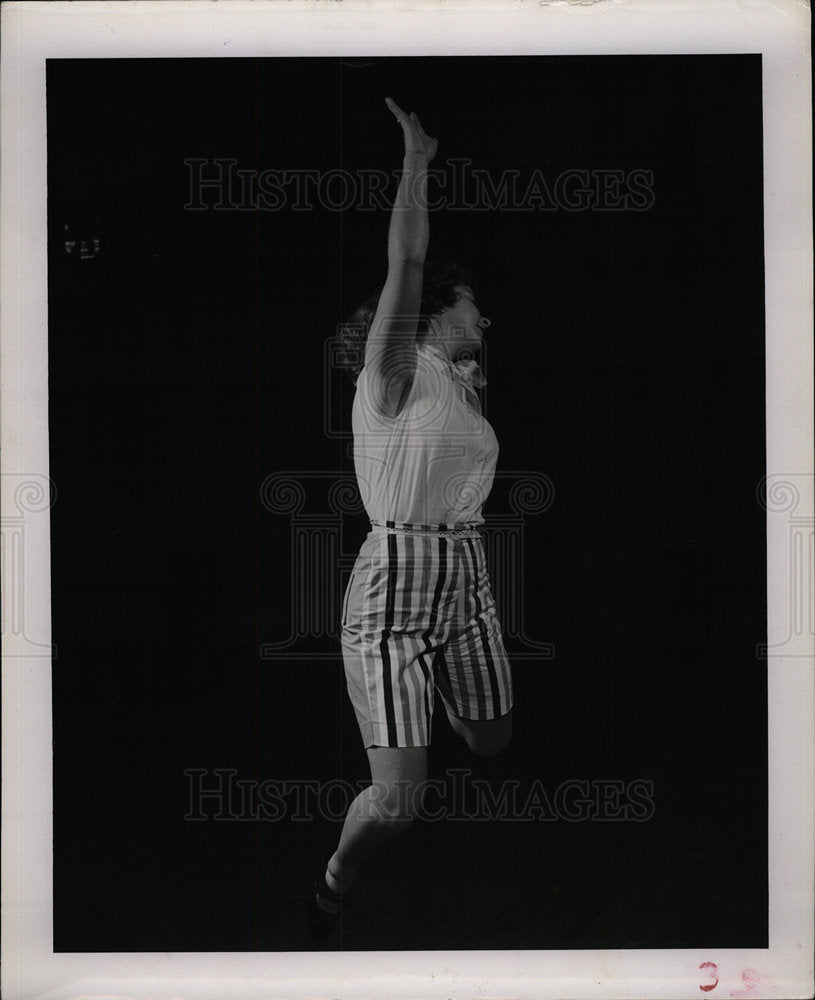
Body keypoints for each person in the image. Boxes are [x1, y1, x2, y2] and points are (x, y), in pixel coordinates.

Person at [306, 97, 514, 937]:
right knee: (399, 805)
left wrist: (472, 355)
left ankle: (427, 689)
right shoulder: (393, 374)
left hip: (463, 576)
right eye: (471, 307)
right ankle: (334, 872)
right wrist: (417, 161)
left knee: (494, 743)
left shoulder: (461, 387)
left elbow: (470, 374)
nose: (484, 320)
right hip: (393, 586)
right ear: (434, 312)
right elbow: (409, 257)